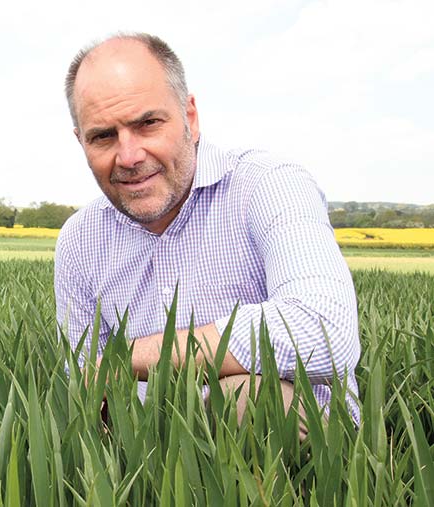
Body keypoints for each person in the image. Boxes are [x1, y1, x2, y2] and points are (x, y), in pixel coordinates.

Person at [55, 33, 360, 427]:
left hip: (302, 449)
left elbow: (325, 332)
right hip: (152, 449)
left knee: (249, 400)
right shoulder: (80, 240)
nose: (129, 156)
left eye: (148, 124)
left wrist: (130, 356)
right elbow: (85, 385)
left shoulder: (269, 185)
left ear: (190, 117)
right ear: (81, 142)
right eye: (103, 136)